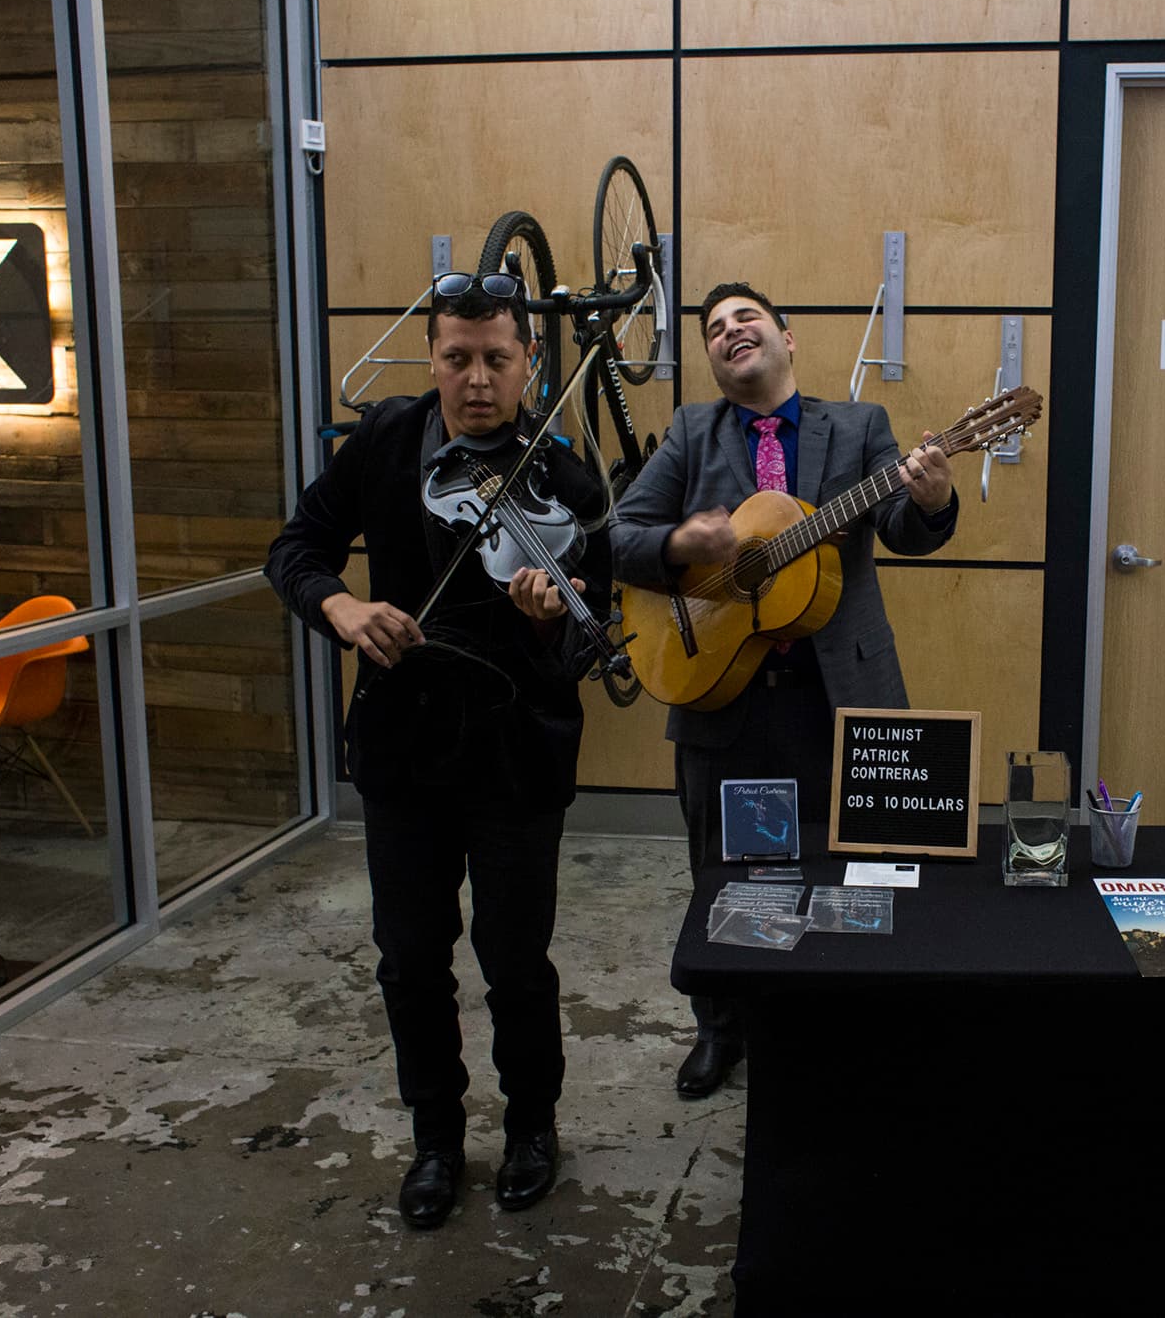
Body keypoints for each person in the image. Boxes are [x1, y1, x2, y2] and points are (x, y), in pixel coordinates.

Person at [265, 272, 611, 1227]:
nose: (476, 381)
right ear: (432, 359)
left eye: (497, 359)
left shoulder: (568, 482)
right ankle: (435, 1138)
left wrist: (550, 626)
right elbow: (296, 548)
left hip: (517, 755)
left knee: (515, 957)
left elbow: (597, 638)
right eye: (456, 359)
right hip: (405, 748)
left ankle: (533, 1125)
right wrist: (340, 606)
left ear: (528, 363)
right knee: (410, 957)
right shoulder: (385, 440)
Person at [610, 281, 958, 1096]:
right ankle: (721, 1027)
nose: (731, 333)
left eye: (747, 320)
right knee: (723, 873)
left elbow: (903, 529)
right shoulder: (694, 432)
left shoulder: (860, 426)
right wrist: (676, 541)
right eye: (714, 329)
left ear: (787, 338)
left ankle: (845, 1023)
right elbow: (619, 536)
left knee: (853, 871)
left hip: (841, 694)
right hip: (721, 690)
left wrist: (933, 499)